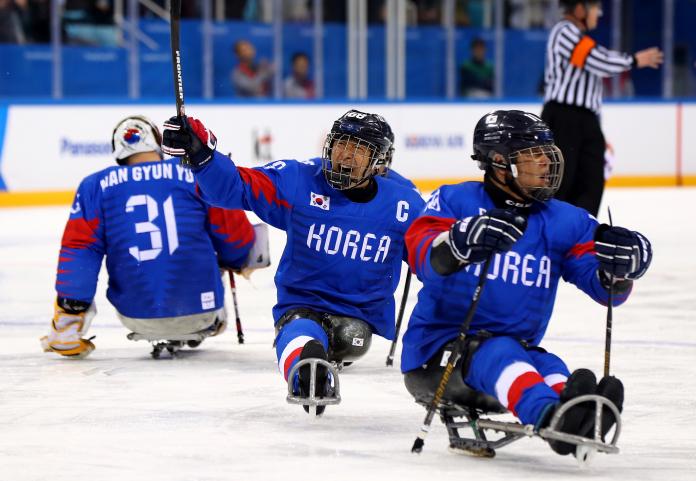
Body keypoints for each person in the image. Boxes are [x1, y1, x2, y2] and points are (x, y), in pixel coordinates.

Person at [402, 110, 652, 455]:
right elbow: (420, 255)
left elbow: (602, 286)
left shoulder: (565, 220)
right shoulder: (455, 201)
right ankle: (552, 417)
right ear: (500, 162)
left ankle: (575, 412)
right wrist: (460, 241)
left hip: (514, 356)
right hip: (437, 357)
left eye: (547, 152)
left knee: (548, 365)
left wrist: (619, 269)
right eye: (533, 154)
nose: (546, 163)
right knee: (502, 353)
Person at [161, 109, 425, 415]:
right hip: (303, 304)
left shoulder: (404, 204)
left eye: (359, 150)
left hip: (359, 318)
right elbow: (236, 186)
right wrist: (203, 157)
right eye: (341, 144)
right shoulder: (299, 179)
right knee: (298, 329)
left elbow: (431, 260)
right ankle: (305, 370)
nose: (347, 156)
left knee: (343, 335)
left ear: (378, 160)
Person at [41, 115, 261, 359]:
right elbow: (237, 241)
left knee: (88, 249)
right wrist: (235, 259)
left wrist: (71, 313)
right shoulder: (194, 172)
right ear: (157, 142)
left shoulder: (95, 185)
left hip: (135, 316)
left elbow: (80, 251)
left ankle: (67, 329)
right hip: (203, 311)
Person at [541, 0, 663, 216]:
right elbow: (596, 60)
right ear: (579, 9)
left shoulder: (577, 36)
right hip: (565, 118)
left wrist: (593, 126)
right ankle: (554, 231)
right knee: (563, 181)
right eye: (595, 8)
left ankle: (580, 231)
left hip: (581, 119)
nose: (598, 13)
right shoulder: (565, 32)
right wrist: (634, 60)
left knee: (590, 180)